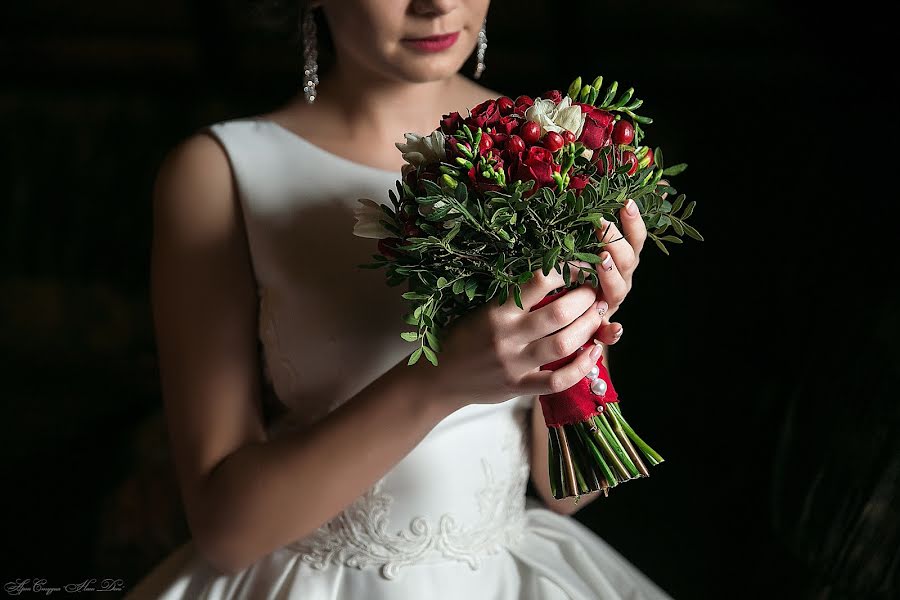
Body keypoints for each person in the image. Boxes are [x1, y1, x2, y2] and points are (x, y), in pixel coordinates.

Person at [125, 0, 674, 597]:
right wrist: (440, 380)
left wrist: (583, 320)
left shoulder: (549, 144)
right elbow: (225, 532)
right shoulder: (219, 173)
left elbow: (571, 490)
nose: (436, 4)